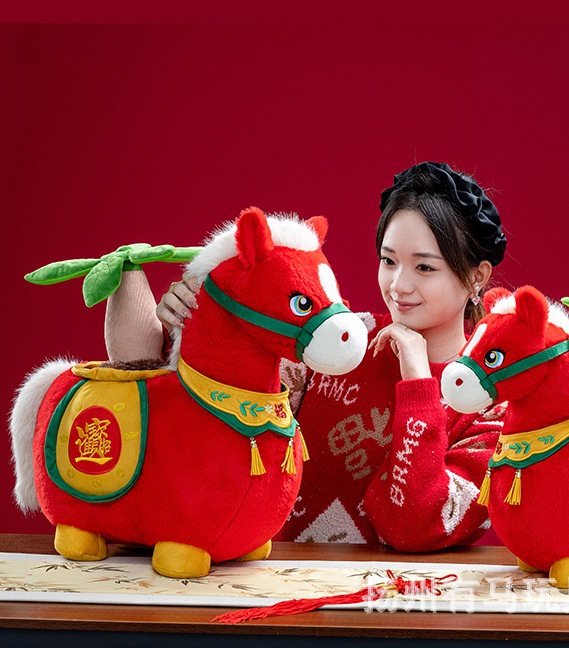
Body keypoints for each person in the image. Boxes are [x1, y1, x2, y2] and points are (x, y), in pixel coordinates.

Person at [156, 162, 507, 550]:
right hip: (269, 575)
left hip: (403, 590)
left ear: (477, 277)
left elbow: (415, 526)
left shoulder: (494, 397)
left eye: (424, 267)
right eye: (388, 261)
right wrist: (187, 321)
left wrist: (418, 385)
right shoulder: (337, 344)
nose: (399, 285)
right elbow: (205, 415)